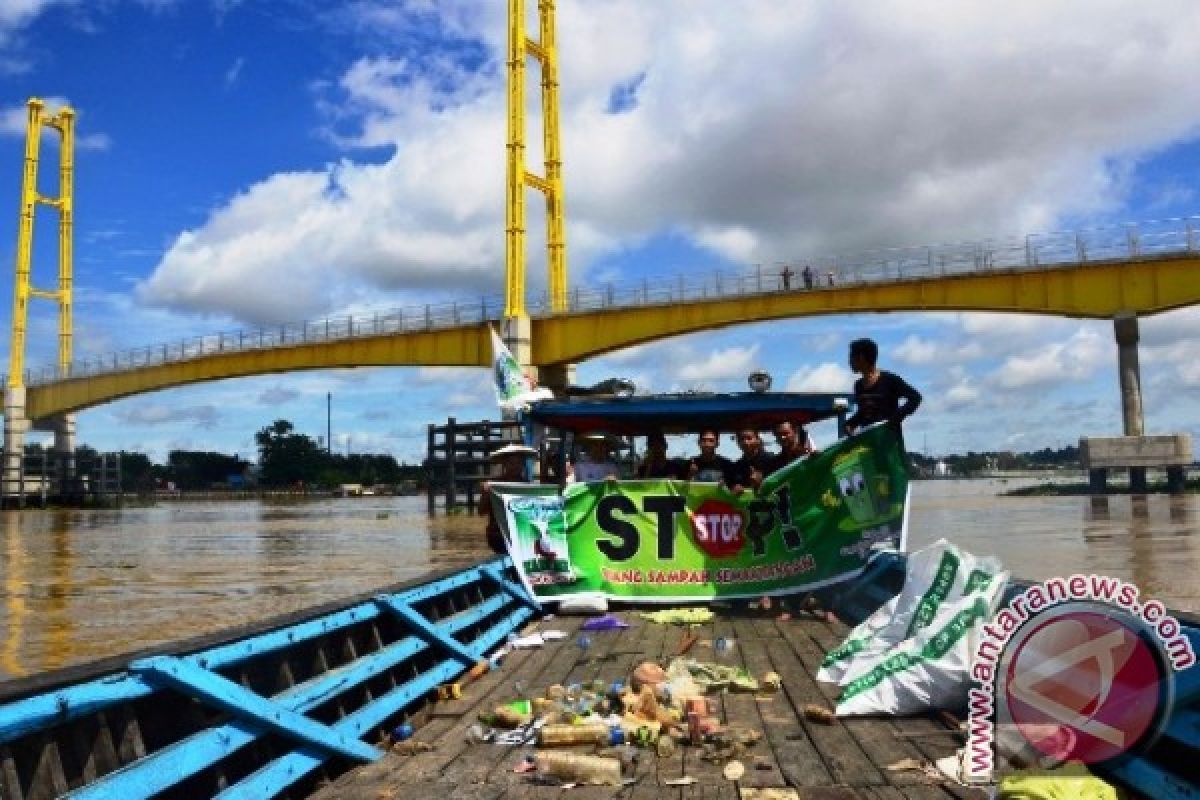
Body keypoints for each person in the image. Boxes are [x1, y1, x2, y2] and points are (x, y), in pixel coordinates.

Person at [844, 337, 922, 455]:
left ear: (861, 358)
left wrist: (894, 419)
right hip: (869, 448)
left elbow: (915, 398)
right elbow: (863, 413)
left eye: (851, 358)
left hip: (891, 446)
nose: (849, 362)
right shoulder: (858, 386)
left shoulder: (890, 380)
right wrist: (850, 424)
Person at [477, 443, 536, 555]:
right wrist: (485, 493)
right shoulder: (494, 485)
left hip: (521, 533)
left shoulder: (528, 486)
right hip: (499, 534)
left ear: (523, 465)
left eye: (519, 463)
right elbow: (481, 512)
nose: (515, 466)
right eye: (511, 463)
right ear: (504, 464)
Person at [724, 429, 774, 494]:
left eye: (749, 438)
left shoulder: (771, 460)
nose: (745, 442)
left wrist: (762, 482)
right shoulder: (737, 465)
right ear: (738, 443)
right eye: (742, 439)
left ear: (757, 440)